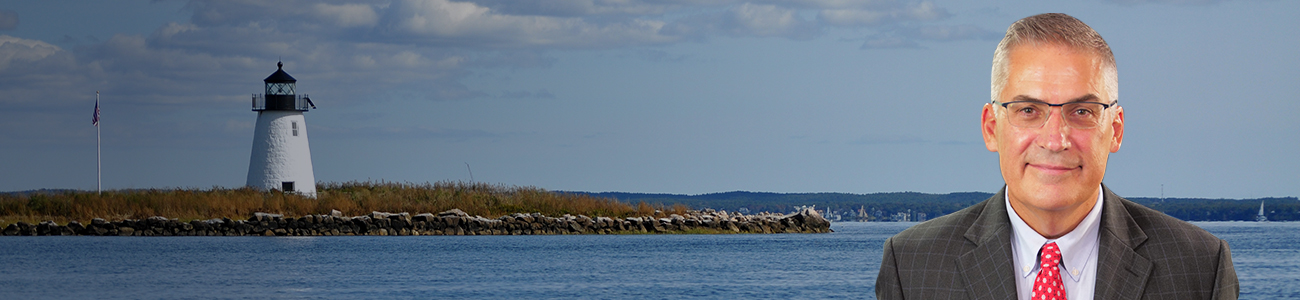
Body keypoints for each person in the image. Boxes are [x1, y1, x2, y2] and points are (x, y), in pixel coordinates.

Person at [874, 13, 1238, 300]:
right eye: (1028, 110)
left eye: (1082, 111)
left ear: (1116, 129)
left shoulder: (1201, 266)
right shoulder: (912, 264)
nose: (1055, 139)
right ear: (990, 128)